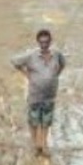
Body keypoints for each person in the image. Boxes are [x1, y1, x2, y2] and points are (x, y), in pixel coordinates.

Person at [12, 28, 66, 158]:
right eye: (41, 42)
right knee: (34, 121)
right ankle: (36, 144)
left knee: (46, 121)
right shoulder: (31, 55)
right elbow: (14, 61)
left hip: (50, 96)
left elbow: (62, 64)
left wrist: (55, 76)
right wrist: (27, 74)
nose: (44, 45)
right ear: (38, 42)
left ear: (50, 41)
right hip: (35, 95)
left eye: (46, 42)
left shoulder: (57, 54)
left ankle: (44, 144)